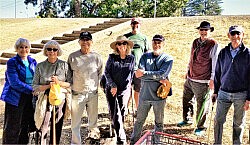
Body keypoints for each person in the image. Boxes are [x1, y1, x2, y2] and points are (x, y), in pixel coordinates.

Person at [176, 21, 220, 136]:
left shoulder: (214, 44)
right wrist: (187, 71)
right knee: (186, 99)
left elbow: (215, 63)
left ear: (210, 31)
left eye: (206, 30)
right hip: (191, 77)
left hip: (203, 80)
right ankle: (187, 120)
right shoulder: (195, 41)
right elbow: (191, 57)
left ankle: (201, 126)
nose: (203, 32)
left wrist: (212, 79)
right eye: (201, 30)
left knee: (202, 105)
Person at [130, 34, 173, 144]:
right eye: (154, 42)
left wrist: (147, 74)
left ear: (163, 44)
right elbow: (138, 74)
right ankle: (134, 142)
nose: (156, 45)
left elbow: (163, 74)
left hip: (159, 98)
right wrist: (158, 78)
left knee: (159, 123)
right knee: (139, 121)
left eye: (159, 43)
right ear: (151, 43)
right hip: (144, 96)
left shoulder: (168, 58)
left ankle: (156, 143)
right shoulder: (145, 56)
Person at [212, 25, 250, 144]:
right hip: (223, 93)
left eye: (238, 33)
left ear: (243, 35)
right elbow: (218, 72)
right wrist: (215, 92)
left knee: (238, 124)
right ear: (229, 36)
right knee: (218, 121)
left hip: (241, 94)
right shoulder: (223, 52)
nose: (235, 36)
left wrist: (249, 98)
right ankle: (217, 143)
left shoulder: (248, 54)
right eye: (232, 34)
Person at [32, 40, 71, 144]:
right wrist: (48, 86)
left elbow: (70, 84)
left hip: (60, 99)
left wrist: (59, 83)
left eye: (54, 49)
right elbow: (34, 86)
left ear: (58, 51)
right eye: (49, 49)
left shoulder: (64, 65)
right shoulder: (40, 66)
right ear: (46, 51)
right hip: (44, 98)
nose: (52, 51)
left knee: (57, 125)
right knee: (42, 125)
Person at [68, 31, 103, 144]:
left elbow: (100, 74)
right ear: (79, 42)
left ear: (91, 42)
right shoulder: (73, 57)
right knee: (75, 123)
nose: (85, 42)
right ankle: (76, 143)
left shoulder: (96, 57)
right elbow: (68, 76)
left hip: (92, 94)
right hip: (77, 94)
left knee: (93, 122)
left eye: (87, 39)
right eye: (83, 39)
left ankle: (93, 141)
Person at [0, 38, 37, 144]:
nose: (24, 49)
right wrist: (32, 89)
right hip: (15, 97)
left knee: (25, 125)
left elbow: (37, 78)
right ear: (17, 48)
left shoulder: (33, 61)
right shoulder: (12, 62)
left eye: (26, 47)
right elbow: (14, 82)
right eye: (21, 47)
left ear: (29, 49)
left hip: (29, 97)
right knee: (13, 127)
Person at [103, 36, 135, 144]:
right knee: (115, 112)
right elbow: (106, 72)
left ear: (127, 45)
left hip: (124, 90)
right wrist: (112, 85)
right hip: (111, 88)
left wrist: (132, 85)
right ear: (116, 46)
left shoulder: (131, 58)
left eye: (124, 43)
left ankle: (117, 131)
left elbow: (131, 74)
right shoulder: (112, 57)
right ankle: (121, 139)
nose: (122, 46)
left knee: (121, 112)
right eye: (119, 44)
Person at [124, 17, 150, 115]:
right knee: (127, 89)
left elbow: (147, 53)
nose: (135, 26)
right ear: (131, 25)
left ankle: (137, 108)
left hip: (139, 69)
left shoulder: (144, 38)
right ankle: (125, 108)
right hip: (127, 68)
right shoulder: (126, 37)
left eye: (137, 24)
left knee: (137, 90)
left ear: (140, 25)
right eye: (133, 24)